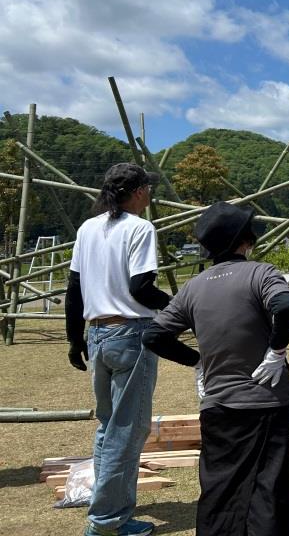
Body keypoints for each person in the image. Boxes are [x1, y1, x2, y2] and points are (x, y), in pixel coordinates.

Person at [143, 202, 289, 535]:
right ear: (245, 240)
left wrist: (197, 362)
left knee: (220, 493)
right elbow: (285, 306)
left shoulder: (193, 288)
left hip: (217, 407)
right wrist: (276, 350)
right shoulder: (261, 273)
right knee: (269, 494)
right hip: (266, 403)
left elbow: (154, 336)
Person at [65, 163, 164, 536]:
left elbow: (73, 289)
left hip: (98, 334)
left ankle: (103, 509)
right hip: (130, 332)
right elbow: (141, 288)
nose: (150, 195)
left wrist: (75, 339)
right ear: (138, 191)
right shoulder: (139, 228)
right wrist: (179, 306)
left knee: (109, 425)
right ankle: (108, 520)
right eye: (148, 189)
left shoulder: (88, 228)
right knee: (128, 428)